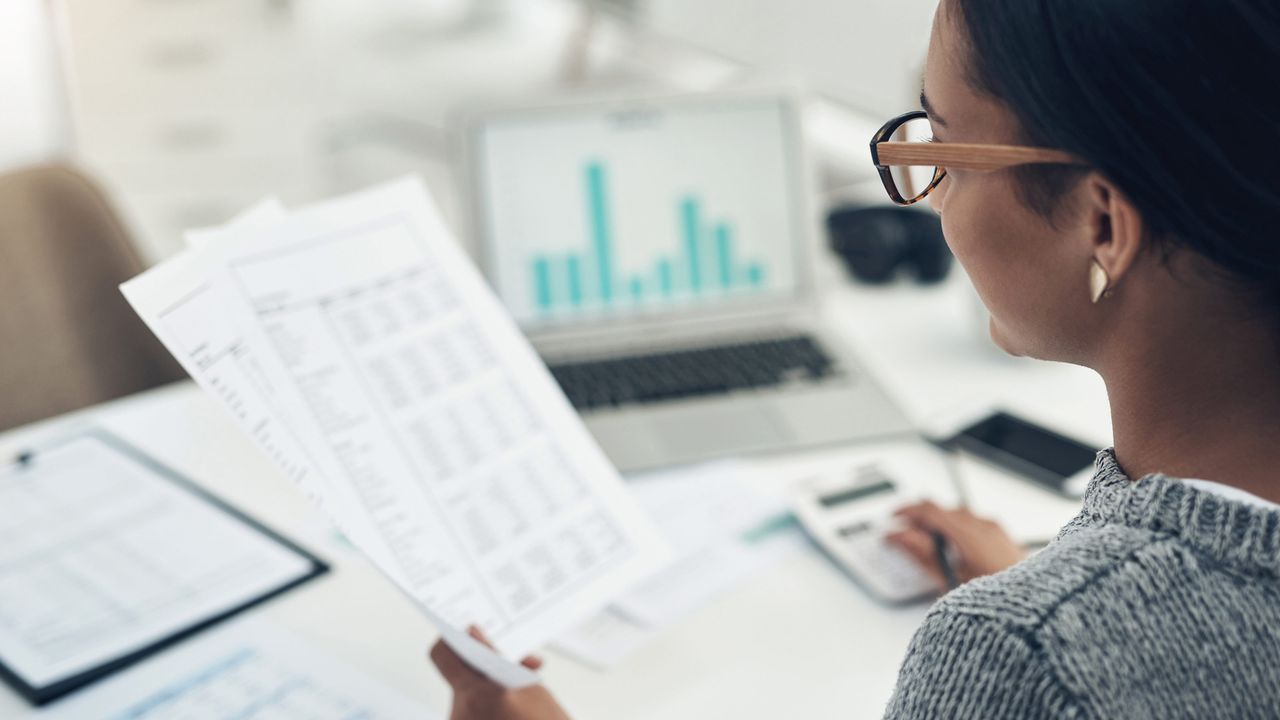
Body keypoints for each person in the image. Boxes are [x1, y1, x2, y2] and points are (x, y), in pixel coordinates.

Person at [430, 0, 1280, 715]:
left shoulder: (1023, 654)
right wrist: (1071, 593)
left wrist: (1057, 626)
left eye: (942, 152)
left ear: (1102, 224)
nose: (932, 196)